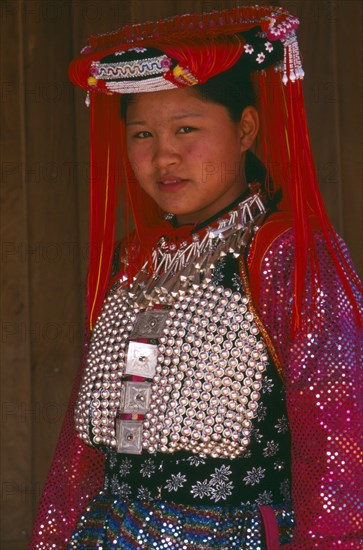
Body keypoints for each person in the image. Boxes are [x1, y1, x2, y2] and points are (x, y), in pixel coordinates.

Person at [30, 5, 362, 549]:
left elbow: (341, 440)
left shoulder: (286, 255)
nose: (164, 156)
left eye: (186, 128)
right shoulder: (137, 259)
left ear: (245, 128)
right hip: (107, 533)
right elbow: (82, 448)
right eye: (142, 134)